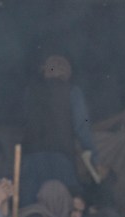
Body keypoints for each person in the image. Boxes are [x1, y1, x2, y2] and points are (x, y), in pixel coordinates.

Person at [21, 54, 99, 197]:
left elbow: (25, 121)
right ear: (66, 72)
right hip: (61, 158)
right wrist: (93, 157)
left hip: (30, 158)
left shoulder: (30, 92)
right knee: (63, 205)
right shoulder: (72, 92)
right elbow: (82, 127)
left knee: (31, 205)